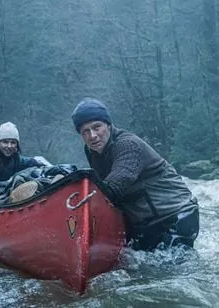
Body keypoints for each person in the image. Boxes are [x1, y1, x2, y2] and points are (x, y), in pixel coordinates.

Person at [71, 98, 199, 251]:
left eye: (96, 127)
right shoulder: (92, 151)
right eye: (85, 131)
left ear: (109, 125)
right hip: (145, 222)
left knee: (170, 269)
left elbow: (112, 189)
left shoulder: (128, 145)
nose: (92, 135)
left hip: (175, 216)